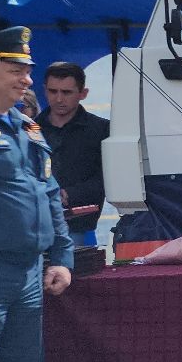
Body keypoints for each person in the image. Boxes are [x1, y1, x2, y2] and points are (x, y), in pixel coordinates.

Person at [0, 26, 73, 362]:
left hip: (26, 275)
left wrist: (60, 256)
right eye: (14, 69)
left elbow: (48, 195)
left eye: (26, 70)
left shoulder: (26, 128)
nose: (26, 79)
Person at [39, 61, 110, 245]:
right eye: (53, 91)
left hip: (79, 225)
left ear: (83, 94)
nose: (59, 99)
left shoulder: (100, 130)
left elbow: (108, 178)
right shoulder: (29, 129)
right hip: (34, 225)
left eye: (66, 92)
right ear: (44, 90)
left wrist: (69, 194)